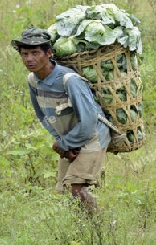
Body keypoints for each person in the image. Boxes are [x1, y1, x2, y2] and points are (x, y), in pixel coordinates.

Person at [11, 26, 111, 212]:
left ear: (49, 53)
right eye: (25, 54)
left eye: (35, 53)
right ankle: (78, 234)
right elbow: (43, 115)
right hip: (70, 139)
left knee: (76, 189)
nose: (29, 59)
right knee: (65, 191)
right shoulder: (33, 80)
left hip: (92, 136)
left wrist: (65, 143)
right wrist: (63, 143)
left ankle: (99, 231)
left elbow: (88, 121)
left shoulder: (69, 80)